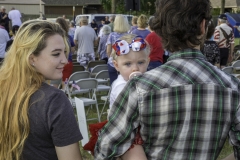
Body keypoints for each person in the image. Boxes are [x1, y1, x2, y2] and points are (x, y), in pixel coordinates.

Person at [95, 0, 240, 159]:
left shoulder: (140, 87)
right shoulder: (231, 87)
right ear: (203, 26)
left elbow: (105, 150)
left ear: (161, 31)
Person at [0, 20, 83, 160]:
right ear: (32, 58)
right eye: (56, 54)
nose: (65, 60)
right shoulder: (54, 101)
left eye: (65, 52)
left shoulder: (4, 89)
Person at [85, 34, 150, 160]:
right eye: (128, 64)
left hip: (142, 127)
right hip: (124, 132)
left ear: (148, 61)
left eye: (141, 62)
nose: (135, 68)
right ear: (116, 66)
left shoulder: (148, 81)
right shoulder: (121, 85)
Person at [106, 14, 130, 84]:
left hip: (113, 63)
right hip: (126, 63)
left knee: (113, 84)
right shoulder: (129, 35)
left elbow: (108, 51)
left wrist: (110, 58)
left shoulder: (112, 35)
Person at [56, 17, 75, 89]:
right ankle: (65, 95)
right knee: (65, 82)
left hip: (56, 62)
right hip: (68, 61)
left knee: (55, 83)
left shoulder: (54, 38)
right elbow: (73, 50)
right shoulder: (69, 37)